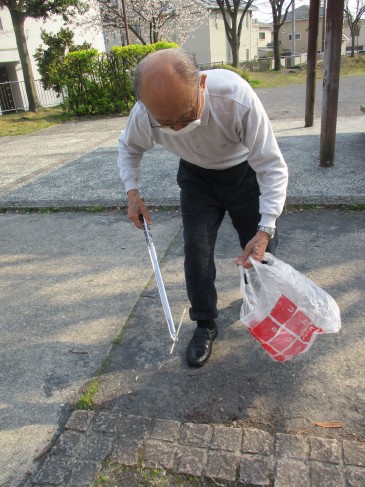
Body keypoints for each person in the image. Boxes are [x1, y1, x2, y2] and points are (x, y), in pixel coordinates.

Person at [118, 48, 288, 367]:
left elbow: (271, 166)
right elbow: (128, 148)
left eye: (185, 116)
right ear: (146, 107)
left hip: (244, 172)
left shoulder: (235, 98)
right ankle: (205, 323)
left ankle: (262, 303)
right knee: (196, 251)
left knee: (262, 253)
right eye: (167, 123)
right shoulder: (145, 114)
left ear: (202, 83)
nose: (178, 128)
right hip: (197, 177)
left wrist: (266, 228)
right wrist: (132, 192)